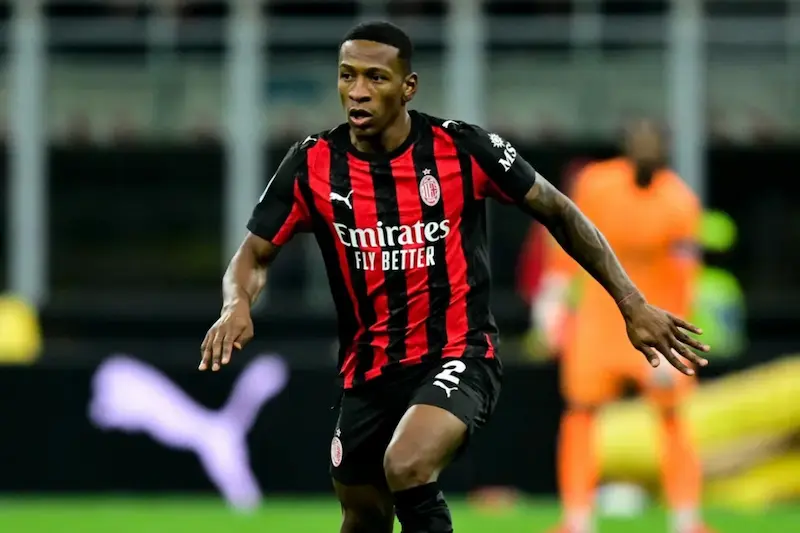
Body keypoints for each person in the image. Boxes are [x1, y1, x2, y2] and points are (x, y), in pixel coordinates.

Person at [199, 22, 709, 533]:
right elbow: (254, 254)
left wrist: (631, 303)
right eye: (347, 76)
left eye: (376, 78)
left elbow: (560, 212)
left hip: (458, 354)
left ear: (408, 86)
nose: (357, 91)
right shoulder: (311, 163)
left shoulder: (461, 148)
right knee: (363, 514)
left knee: (407, 464)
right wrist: (235, 303)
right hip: (369, 371)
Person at [536, 119, 714, 533]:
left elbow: (685, 275)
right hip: (599, 320)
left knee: (672, 416)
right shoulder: (596, 184)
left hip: (656, 321)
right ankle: (578, 520)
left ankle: (686, 520)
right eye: (641, 142)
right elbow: (567, 237)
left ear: (666, 151)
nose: (648, 151)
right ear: (626, 146)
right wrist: (552, 299)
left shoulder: (679, 202)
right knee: (580, 413)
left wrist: (677, 342)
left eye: (656, 144)